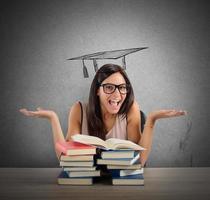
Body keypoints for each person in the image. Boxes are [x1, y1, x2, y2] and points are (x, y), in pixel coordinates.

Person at [20, 64, 186, 166]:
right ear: (97, 91)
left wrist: (151, 120)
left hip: (122, 186)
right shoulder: (79, 110)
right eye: (109, 87)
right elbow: (66, 159)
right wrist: (53, 118)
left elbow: (139, 162)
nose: (117, 95)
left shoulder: (131, 109)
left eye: (122, 87)